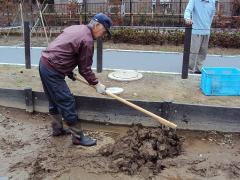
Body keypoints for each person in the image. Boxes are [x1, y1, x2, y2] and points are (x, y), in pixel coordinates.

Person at [39, 13, 112, 146]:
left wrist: (68, 71)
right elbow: (85, 69)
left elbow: (63, 48)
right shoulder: (87, 40)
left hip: (44, 63)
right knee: (67, 100)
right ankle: (78, 137)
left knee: (54, 99)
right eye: (104, 31)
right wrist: (96, 84)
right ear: (96, 25)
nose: (103, 35)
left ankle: (57, 129)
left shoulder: (77, 28)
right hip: (53, 70)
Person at [184, 0, 216, 74]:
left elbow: (211, 15)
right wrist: (187, 18)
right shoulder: (194, 0)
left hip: (206, 30)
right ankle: (189, 69)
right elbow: (188, 10)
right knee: (193, 52)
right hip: (196, 31)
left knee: (203, 52)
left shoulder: (212, 1)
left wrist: (208, 26)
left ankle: (199, 69)